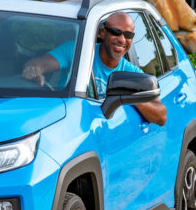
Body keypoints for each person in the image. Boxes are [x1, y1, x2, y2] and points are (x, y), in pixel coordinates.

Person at [22, 11, 168, 126]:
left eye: (128, 35)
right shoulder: (76, 51)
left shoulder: (132, 74)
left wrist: (132, 97)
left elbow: (161, 116)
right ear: (103, 32)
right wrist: (34, 71)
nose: (122, 39)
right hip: (65, 119)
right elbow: (36, 64)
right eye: (116, 32)